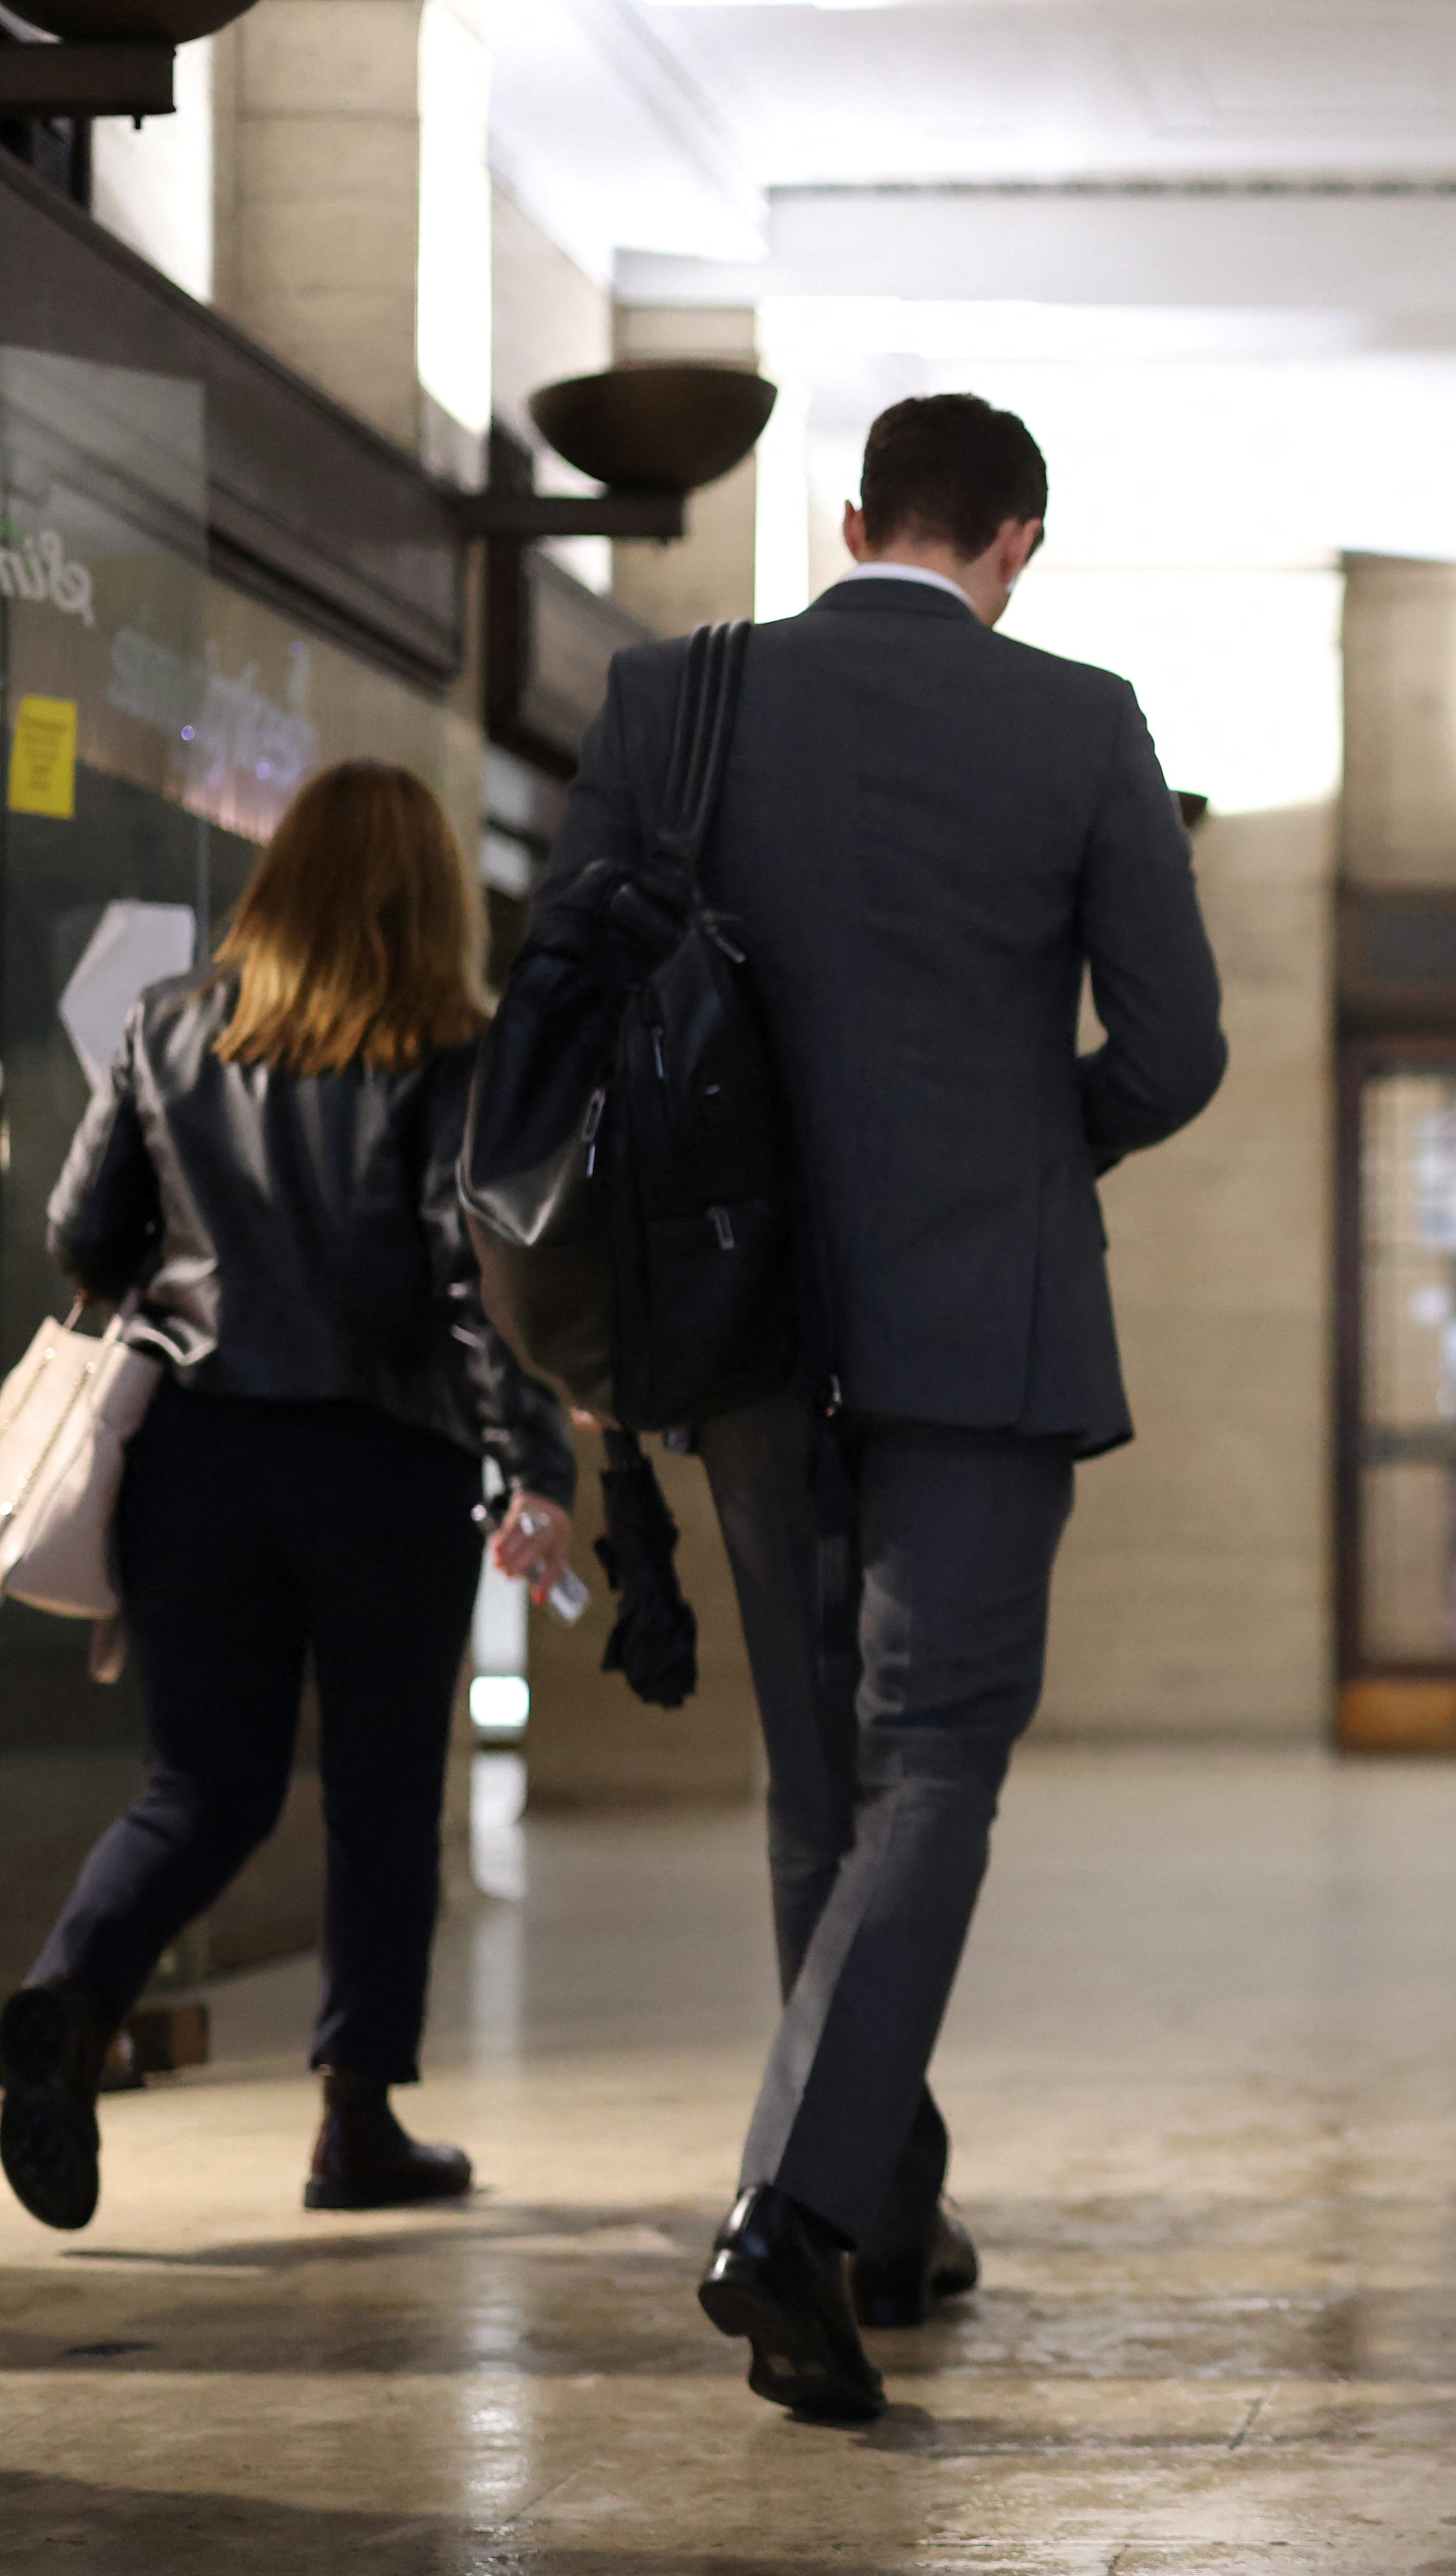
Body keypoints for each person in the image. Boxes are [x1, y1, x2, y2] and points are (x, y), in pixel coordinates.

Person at [543, 393, 1227, 2422]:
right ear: (1018, 542)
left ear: (847, 523)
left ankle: (888, 2209)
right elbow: (1175, 1051)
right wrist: (1036, 1152)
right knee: (932, 1762)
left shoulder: (675, 698)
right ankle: (794, 2213)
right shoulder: (1081, 722)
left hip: (746, 1319)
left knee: (814, 1782)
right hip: (981, 1325)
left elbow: (579, 995)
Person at [0, 760, 579, 2231]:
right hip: (387, 1467)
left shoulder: (167, 1030)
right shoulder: (453, 1048)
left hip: (195, 1458)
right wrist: (541, 1465)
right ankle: (355, 2124)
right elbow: (475, 1287)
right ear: (431, 897)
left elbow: (82, 1230)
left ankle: (71, 2000)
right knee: (385, 1802)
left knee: (203, 1788)